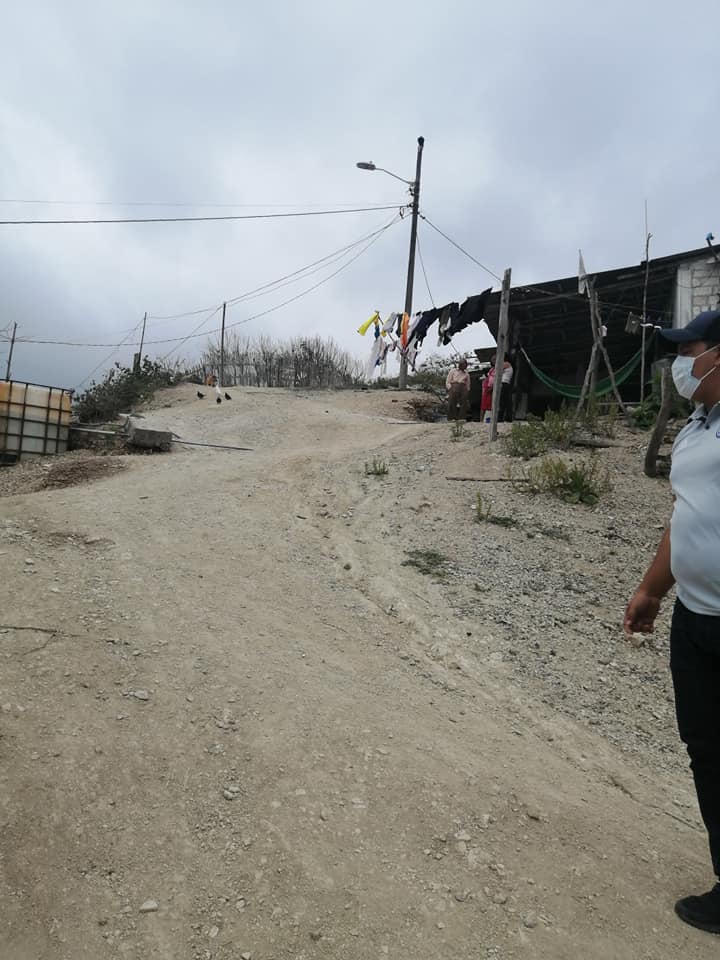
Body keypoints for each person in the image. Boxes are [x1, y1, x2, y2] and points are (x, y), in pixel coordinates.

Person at [624, 308, 720, 935]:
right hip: (695, 618)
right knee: (707, 751)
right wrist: (652, 590)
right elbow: (685, 514)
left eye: (690, 350)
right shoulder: (696, 427)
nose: (681, 363)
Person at [499, 356, 514, 422]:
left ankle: (501, 417)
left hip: (504, 383)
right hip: (506, 383)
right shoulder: (509, 365)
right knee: (507, 401)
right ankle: (508, 417)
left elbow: (498, 369)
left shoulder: (506, 364)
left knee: (502, 401)